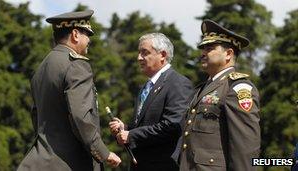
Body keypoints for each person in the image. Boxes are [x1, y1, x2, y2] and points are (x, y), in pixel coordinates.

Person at [17, 10, 121, 171]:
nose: (89, 41)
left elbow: (37, 117)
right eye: (87, 34)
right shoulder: (76, 65)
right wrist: (103, 152)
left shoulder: (42, 68)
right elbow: (81, 117)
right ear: (75, 34)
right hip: (69, 163)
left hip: (40, 162)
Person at [178, 19, 261, 171]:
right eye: (202, 48)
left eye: (209, 48)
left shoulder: (237, 88)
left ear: (228, 54)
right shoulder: (203, 89)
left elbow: (245, 146)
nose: (203, 53)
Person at [109, 33, 194, 171]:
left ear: (162, 55)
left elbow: (172, 126)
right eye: (139, 53)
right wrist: (125, 128)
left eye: (145, 53)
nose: (138, 58)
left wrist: (131, 135)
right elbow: (146, 124)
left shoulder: (178, 83)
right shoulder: (146, 87)